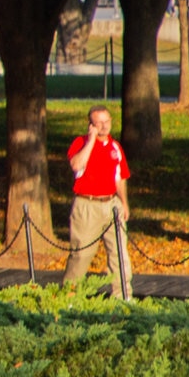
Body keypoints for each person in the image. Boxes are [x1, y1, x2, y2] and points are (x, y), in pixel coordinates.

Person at [62, 105, 133, 299]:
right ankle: (69, 297)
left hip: (112, 204)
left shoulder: (115, 147)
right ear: (90, 125)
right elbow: (76, 164)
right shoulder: (80, 143)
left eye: (106, 121)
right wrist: (91, 140)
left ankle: (123, 297)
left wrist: (124, 203)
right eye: (98, 122)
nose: (104, 126)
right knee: (81, 254)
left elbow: (120, 177)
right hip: (87, 205)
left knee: (119, 254)